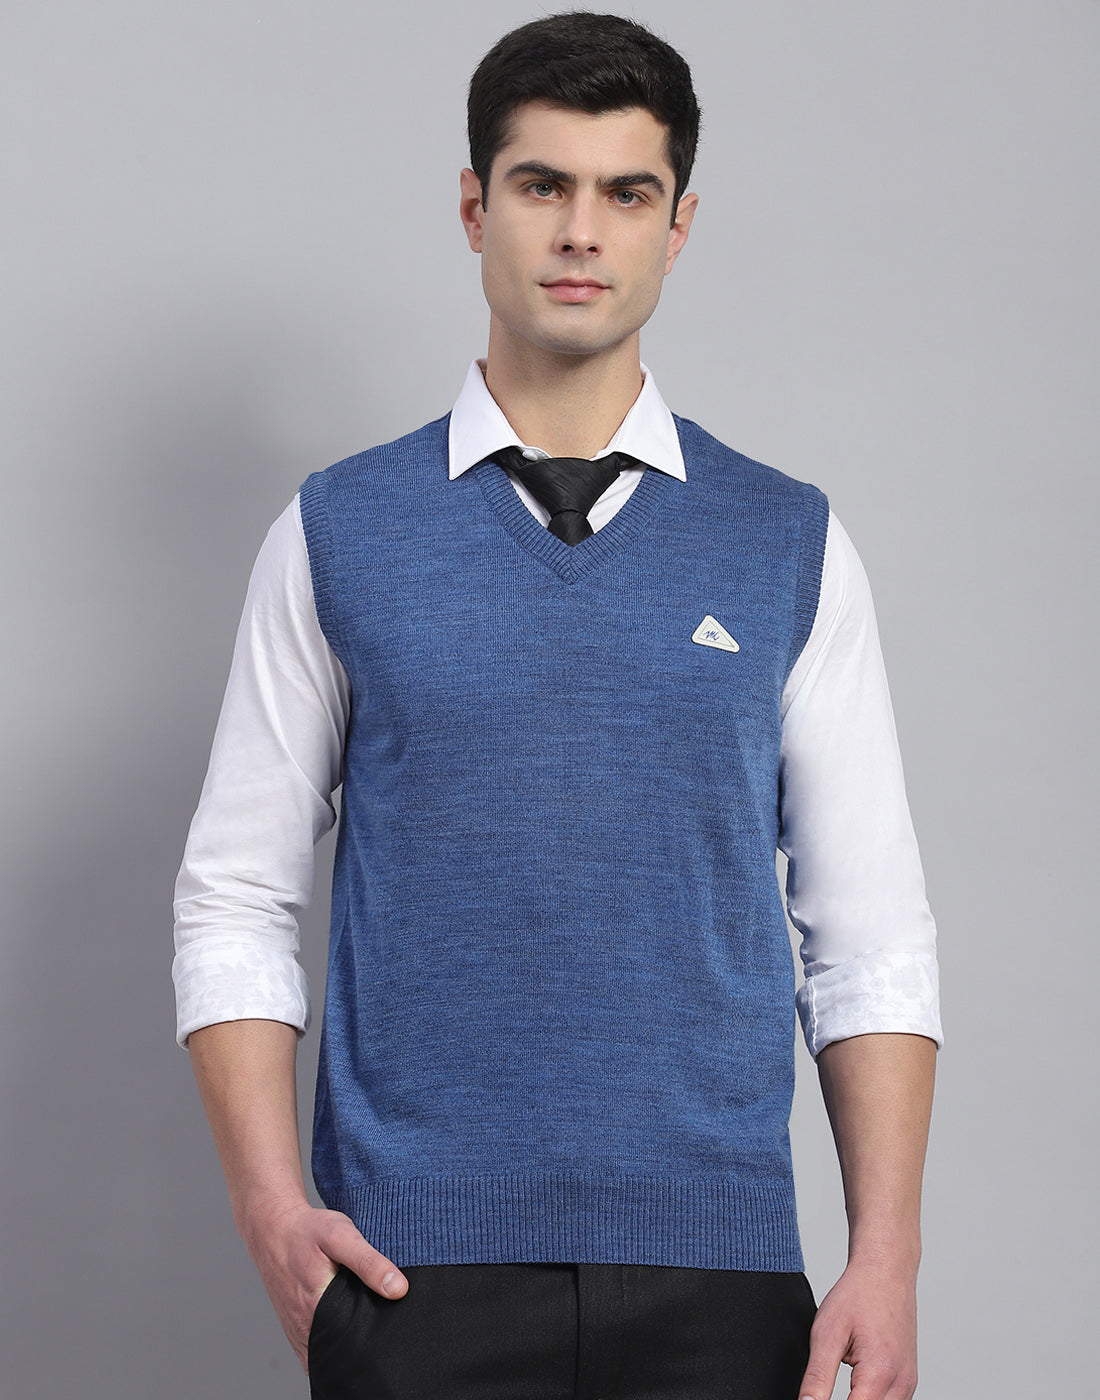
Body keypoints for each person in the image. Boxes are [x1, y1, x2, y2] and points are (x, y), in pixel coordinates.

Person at [174, 12, 941, 1399]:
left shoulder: (788, 543)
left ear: (679, 225)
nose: (582, 232)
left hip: (720, 1284)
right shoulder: (338, 532)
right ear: (476, 209)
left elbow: (868, 936)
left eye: (626, 193)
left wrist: (886, 1256)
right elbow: (233, 894)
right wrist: (270, 1212)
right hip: (411, 1280)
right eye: (543, 185)